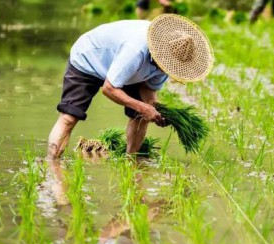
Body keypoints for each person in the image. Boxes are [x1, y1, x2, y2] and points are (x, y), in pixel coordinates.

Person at [46, 14, 214, 161]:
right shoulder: (136, 49)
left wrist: (155, 110)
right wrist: (143, 107)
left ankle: (131, 161)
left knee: (141, 116)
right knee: (69, 117)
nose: (167, 69)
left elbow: (149, 90)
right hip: (89, 58)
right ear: (159, 53)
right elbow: (109, 88)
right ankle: (51, 165)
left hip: (125, 69)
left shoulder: (169, 62)